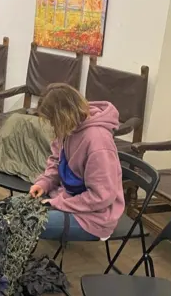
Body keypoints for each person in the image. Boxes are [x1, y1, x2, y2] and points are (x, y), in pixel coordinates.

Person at [29, 83, 124, 242]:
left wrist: (58, 203)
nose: (52, 125)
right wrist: (44, 183)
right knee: (14, 213)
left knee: (27, 224)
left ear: (62, 116)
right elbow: (56, 160)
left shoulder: (98, 141)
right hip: (70, 197)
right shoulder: (69, 127)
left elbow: (102, 196)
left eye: (52, 120)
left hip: (95, 217)